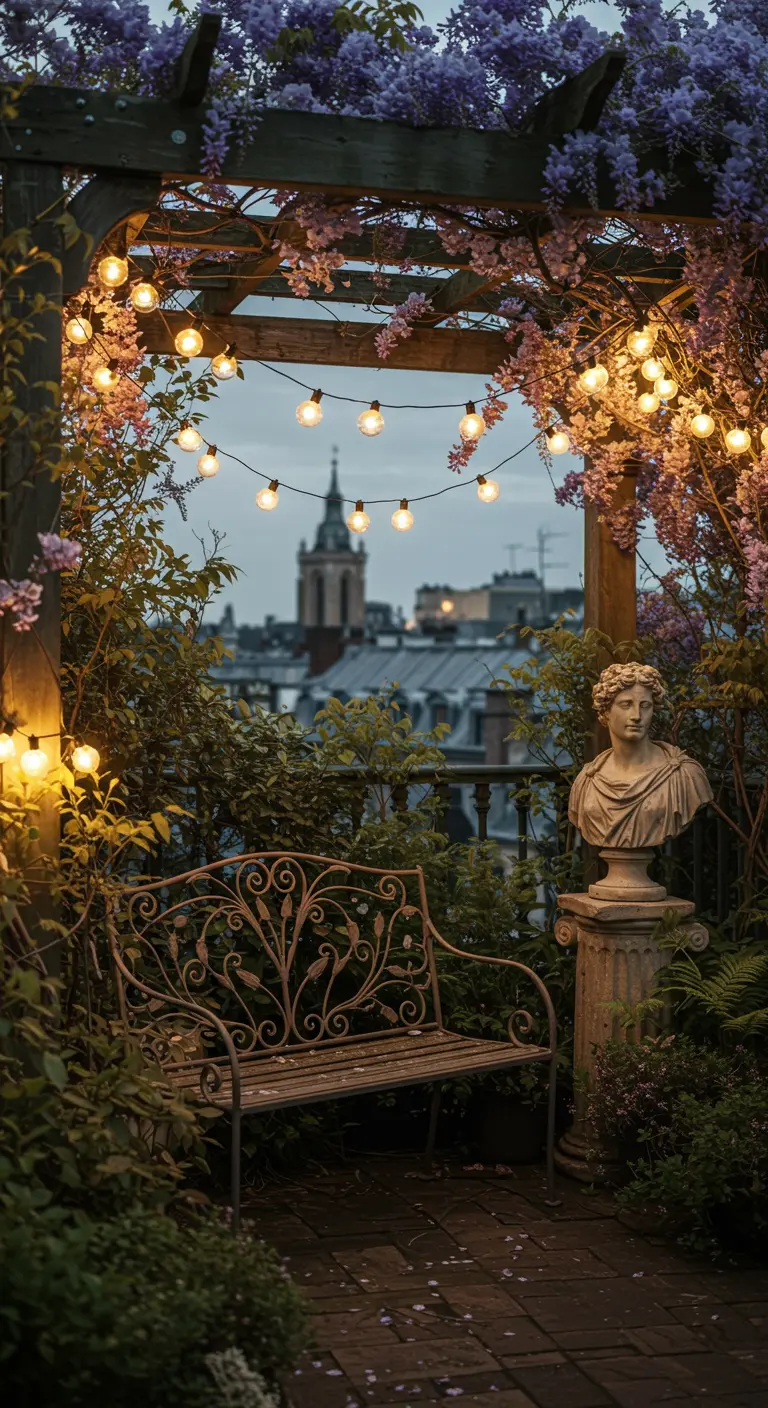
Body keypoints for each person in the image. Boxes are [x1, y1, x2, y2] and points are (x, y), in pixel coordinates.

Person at [568, 662, 712, 849]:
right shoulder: (587, 782)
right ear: (606, 711)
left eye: (645, 706)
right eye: (626, 704)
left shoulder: (684, 776)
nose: (637, 715)